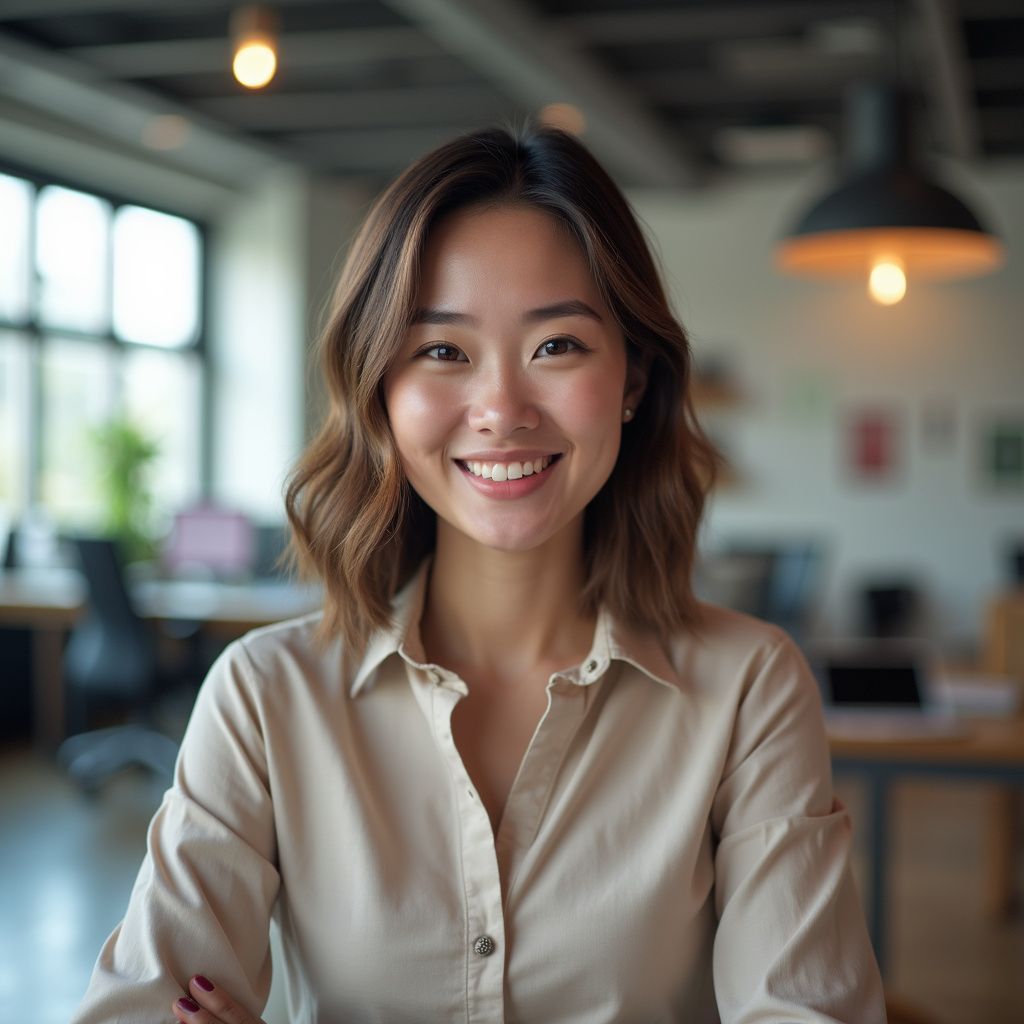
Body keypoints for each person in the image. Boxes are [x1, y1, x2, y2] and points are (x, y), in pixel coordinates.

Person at [71, 125, 885, 1024]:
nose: (501, 410)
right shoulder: (266, 696)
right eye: (443, 352)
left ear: (633, 378)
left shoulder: (749, 687)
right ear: (380, 387)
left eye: (558, 345)